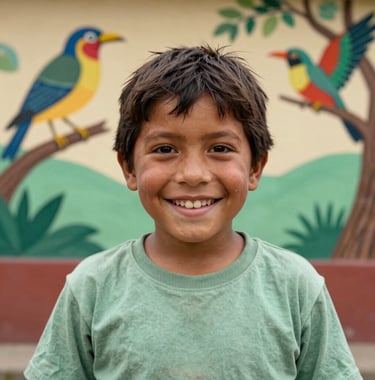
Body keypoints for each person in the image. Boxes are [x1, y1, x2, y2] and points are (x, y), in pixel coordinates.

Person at [24, 45, 362, 379]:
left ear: (255, 168)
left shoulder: (295, 287)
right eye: (165, 149)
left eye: (219, 148)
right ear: (129, 168)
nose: (193, 174)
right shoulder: (93, 287)